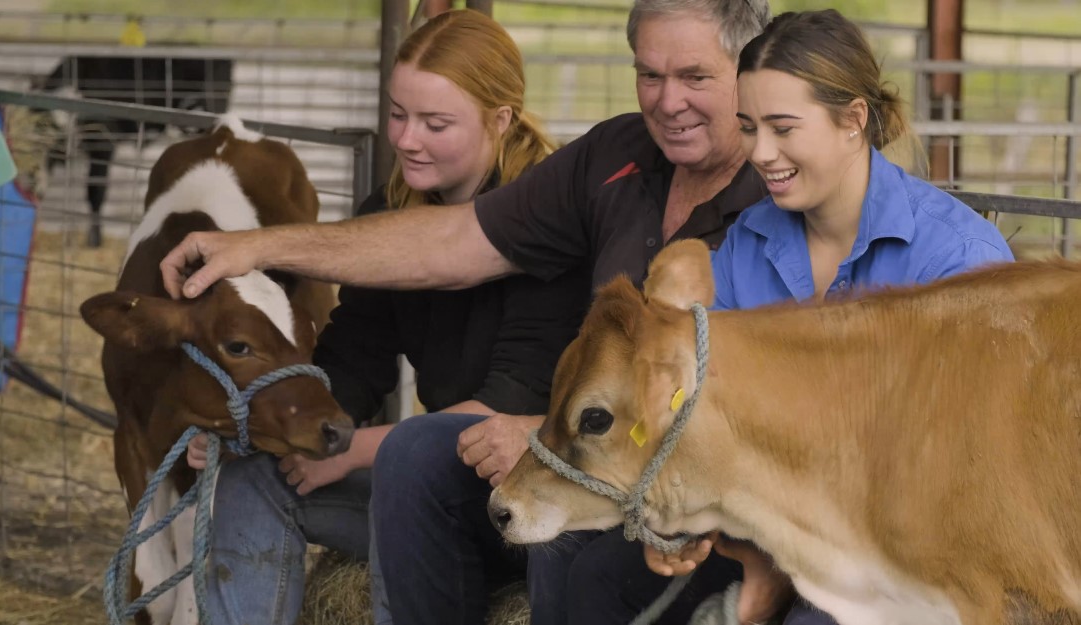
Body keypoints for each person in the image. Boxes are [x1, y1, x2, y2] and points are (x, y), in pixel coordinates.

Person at [164, 1, 777, 624]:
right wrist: (254, 255)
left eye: (694, 77)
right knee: (405, 453)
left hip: (656, 484)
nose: (667, 100)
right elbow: (438, 255)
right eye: (649, 74)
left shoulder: (780, 191)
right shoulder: (611, 157)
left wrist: (532, 432)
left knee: (526, 483)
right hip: (533, 464)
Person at [183, 10, 590, 625]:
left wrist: (356, 451)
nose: (405, 139)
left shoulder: (550, 220)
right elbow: (353, 359)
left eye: (435, 122)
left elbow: (510, 403)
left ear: (499, 120)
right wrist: (264, 424)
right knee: (253, 478)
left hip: (530, 497)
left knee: (405, 492)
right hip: (431, 470)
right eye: (398, 114)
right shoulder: (393, 208)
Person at [631, 9, 1015, 625]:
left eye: (783, 128)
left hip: (906, 553)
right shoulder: (746, 243)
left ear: (853, 120)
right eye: (749, 127)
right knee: (600, 573)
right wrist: (682, 523)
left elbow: (957, 473)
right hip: (769, 526)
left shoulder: (959, 259)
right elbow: (707, 406)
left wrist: (779, 567)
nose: (760, 153)